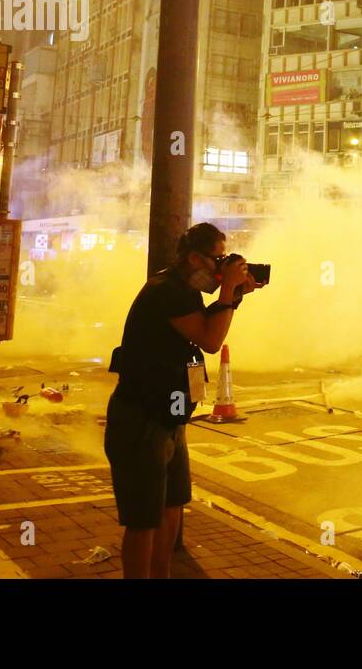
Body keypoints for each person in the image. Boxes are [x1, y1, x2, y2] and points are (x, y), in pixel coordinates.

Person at [104, 222, 257, 579]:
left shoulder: (184, 291)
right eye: (219, 260)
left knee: (173, 504)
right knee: (144, 519)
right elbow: (210, 339)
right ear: (194, 259)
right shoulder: (167, 290)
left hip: (169, 414)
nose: (222, 269)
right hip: (142, 417)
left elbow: (208, 329)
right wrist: (228, 292)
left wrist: (232, 295)